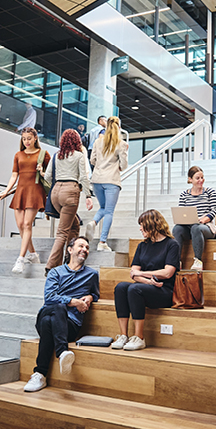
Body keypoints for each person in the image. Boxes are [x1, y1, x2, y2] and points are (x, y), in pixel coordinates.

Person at [23, 236, 100, 392]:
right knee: (58, 306)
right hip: (49, 312)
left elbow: (96, 294)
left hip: (70, 326)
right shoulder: (55, 272)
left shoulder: (92, 274)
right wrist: (75, 301)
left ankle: (39, 374)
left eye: (87, 247)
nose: (84, 249)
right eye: (81, 246)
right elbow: (49, 297)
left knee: (48, 323)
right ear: (69, 250)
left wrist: (91, 297)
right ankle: (62, 352)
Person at [111, 210, 180, 351]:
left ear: (152, 225)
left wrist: (142, 274)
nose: (140, 229)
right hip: (146, 286)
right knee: (121, 287)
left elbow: (167, 273)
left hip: (164, 290)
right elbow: (133, 273)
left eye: (143, 225)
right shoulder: (142, 246)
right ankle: (124, 335)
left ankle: (139, 337)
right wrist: (149, 281)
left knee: (134, 288)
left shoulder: (172, 244)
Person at [0, 128, 50, 274]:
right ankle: (33, 254)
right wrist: (6, 191)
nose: (26, 141)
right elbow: (14, 175)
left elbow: (51, 176)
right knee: (20, 225)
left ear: (35, 139)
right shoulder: (18, 155)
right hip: (21, 191)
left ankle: (20, 259)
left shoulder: (43, 155)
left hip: (35, 191)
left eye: (29, 138)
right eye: (24, 139)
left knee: (27, 224)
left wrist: (42, 171)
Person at [40, 129, 93, 275]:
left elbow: (48, 176)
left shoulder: (57, 155)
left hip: (56, 192)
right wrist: (88, 195)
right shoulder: (79, 156)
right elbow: (83, 177)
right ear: (77, 141)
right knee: (62, 232)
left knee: (74, 225)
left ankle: (69, 258)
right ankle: (50, 266)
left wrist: (57, 186)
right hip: (70, 191)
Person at [85, 116, 129, 252]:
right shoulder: (121, 144)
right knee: (109, 211)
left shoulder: (98, 142)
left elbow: (92, 160)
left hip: (97, 180)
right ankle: (102, 242)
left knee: (103, 207)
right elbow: (124, 165)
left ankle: (93, 222)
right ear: (118, 127)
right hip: (111, 180)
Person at [172, 166, 216, 271]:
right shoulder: (184, 194)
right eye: (197, 178)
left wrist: (204, 219)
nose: (201, 180)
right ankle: (176, 261)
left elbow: (215, 209)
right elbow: (182, 212)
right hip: (189, 226)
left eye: (202, 177)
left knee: (196, 228)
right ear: (190, 179)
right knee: (177, 229)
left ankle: (198, 261)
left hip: (206, 227)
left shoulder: (210, 192)